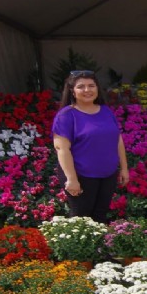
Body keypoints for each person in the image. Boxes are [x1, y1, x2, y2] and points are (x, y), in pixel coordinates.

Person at [52, 70, 129, 223]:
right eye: (81, 87)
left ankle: (98, 247)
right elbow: (62, 149)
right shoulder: (66, 115)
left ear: (97, 88)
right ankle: (75, 247)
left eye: (91, 86)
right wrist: (71, 179)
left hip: (107, 175)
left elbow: (117, 140)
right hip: (81, 175)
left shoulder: (106, 111)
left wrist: (124, 168)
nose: (87, 90)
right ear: (72, 91)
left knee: (100, 218)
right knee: (81, 220)